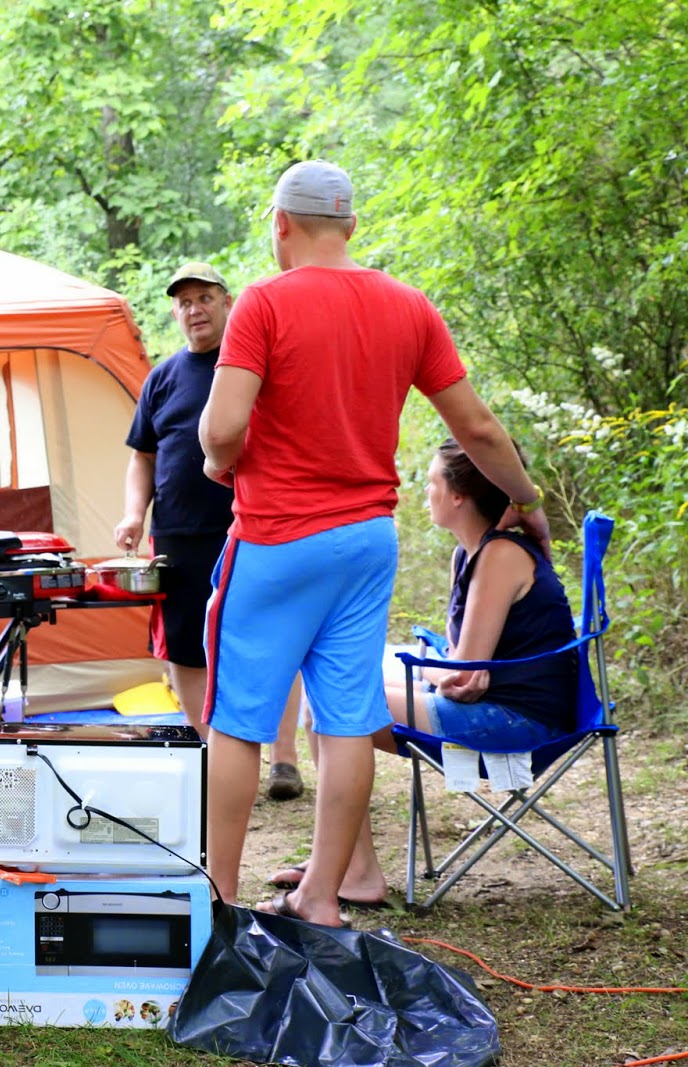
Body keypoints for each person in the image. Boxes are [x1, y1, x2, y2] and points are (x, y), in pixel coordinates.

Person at [198, 160, 551, 927]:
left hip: (278, 538)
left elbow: (221, 430)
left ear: (280, 224)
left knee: (237, 717)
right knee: (347, 712)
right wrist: (524, 499)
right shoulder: (408, 306)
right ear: (351, 225)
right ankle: (323, 896)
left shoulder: (263, 302)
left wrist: (219, 459)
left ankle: (217, 900)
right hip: (366, 540)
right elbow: (478, 428)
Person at [267, 438, 578, 908]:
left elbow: (463, 676)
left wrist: (442, 671)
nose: (425, 492)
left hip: (518, 723)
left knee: (333, 704)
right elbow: (461, 669)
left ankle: (356, 871)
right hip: (492, 703)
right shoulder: (469, 554)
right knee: (325, 695)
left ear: (458, 496)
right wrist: (444, 671)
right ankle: (346, 863)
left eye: (432, 482)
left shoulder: (501, 556)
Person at [114, 261, 306, 800]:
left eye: (204, 298)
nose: (194, 310)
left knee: (273, 641)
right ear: (175, 313)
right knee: (184, 647)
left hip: (254, 526)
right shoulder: (162, 378)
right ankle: (206, 756)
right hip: (177, 535)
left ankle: (284, 760)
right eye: (184, 302)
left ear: (227, 303)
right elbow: (142, 458)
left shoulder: (253, 365)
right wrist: (134, 514)